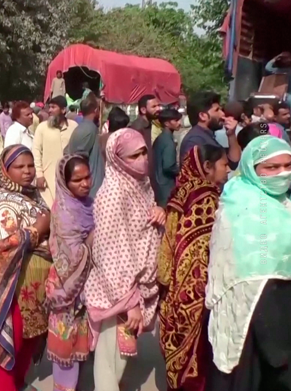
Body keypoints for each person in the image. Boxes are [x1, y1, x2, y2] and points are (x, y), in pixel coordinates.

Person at [206, 136, 291, 391]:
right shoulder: (241, 204)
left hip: (288, 315)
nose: (282, 173)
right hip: (256, 319)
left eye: (288, 165)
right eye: (271, 168)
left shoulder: (283, 205)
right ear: (252, 168)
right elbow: (253, 269)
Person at [84, 128, 164, 391]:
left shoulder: (140, 185)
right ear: (117, 159)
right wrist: (128, 302)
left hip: (134, 287)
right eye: (133, 155)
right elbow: (109, 255)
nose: (142, 159)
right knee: (110, 361)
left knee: (121, 355)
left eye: (144, 152)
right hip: (118, 291)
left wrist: (158, 212)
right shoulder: (113, 195)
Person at [0, 145, 52, 391]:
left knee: (28, 341)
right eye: (19, 167)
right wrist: (38, 230)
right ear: (5, 170)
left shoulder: (32, 195)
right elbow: (2, 247)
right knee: (10, 342)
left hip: (34, 289)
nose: (27, 172)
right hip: (11, 290)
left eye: (30, 166)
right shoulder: (1, 205)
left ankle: (18, 384)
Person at [157, 145, 229, 391]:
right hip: (197, 289)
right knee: (197, 355)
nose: (227, 170)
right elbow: (202, 251)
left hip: (174, 286)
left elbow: (169, 242)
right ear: (207, 167)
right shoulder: (207, 197)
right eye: (224, 164)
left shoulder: (181, 191)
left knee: (177, 344)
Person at [46, 155, 94, 391]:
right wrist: (94, 238)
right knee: (66, 347)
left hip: (87, 287)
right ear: (65, 183)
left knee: (83, 344)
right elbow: (72, 258)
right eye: (77, 180)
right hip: (68, 288)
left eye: (88, 177)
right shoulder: (64, 212)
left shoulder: (89, 204)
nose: (85, 183)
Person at [33, 95, 77, 207]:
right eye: (49, 107)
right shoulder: (42, 128)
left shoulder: (74, 126)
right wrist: (39, 174)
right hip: (48, 180)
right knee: (50, 208)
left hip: (68, 178)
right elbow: (36, 151)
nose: (50, 110)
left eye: (53, 107)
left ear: (63, 110)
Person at [181, 92, 240, 169]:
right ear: (203, 116)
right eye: (217, 110)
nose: (222, 114)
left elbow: (233, 162)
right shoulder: (195, 140)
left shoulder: (207, 136)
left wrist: (231, 135)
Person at [64, 96, 104, 197]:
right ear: (96, 111)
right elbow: (77, 157)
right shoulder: (88, 129)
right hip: (90, 190)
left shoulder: (85, 127)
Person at [129, 94, 161, 194]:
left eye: (158, 106)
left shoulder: (149, 125)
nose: (158, 109)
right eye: (154, 106)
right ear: (143, 110)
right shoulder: (137, 128)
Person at [153, 108, 182, 207]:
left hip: (158, 184)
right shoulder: (168, 141)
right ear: (167, 123)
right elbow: (169, 166)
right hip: (166, 186)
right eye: (176, 120)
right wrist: (182, 170)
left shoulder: (160, 138)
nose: (179, 123)